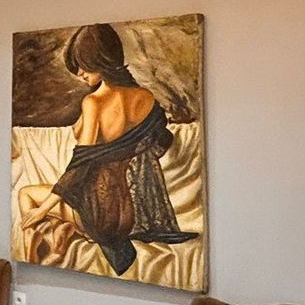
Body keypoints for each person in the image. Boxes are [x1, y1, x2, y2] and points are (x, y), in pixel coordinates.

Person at [19, 23, 197, 274]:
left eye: (83, 65)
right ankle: (61, 235)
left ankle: (33, 255)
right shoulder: (146, 97)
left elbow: (80, 165)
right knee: (56, 209)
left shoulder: (93, 103)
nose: (80, 73)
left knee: (26, 194)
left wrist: (42, 210)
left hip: (99, 214)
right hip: (130, 214)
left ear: (101, 60)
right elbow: (162, 140)